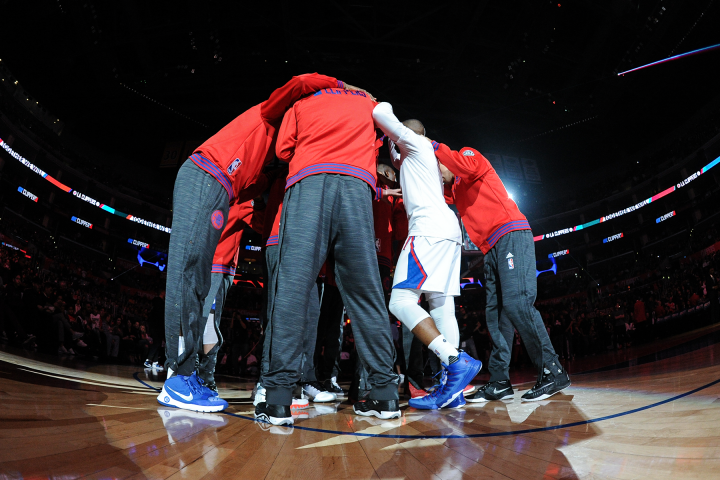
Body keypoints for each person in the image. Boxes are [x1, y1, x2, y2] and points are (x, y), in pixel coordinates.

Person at [159, 73, 371, 413]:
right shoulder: (269, 113)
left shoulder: (267, 160)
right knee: (187, 274)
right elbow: (301, 81)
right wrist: (345, 86)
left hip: (219, 185)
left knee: (196, 281)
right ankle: (177, 376)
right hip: (206, 173)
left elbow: (252, 191)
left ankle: (187, 373)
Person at [256, 83, 399, 426]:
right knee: (366, 295)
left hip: (309, 182)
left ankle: (277, 400)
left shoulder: (303, 102)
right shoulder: (369, 101)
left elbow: (284, 149)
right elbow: (383, 138)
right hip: (357, 188)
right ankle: (385, 395)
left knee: (292, 291)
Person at [434, 142, 570, 402]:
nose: (438, 172)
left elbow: (461, 165)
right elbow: (434, 194)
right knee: (495, 316)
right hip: (490, 248)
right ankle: (499, 381)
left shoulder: (467, 156)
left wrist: (429, 146)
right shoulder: (452, 190)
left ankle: (552, 371)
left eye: (439, 166)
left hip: (510, 233)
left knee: (518, 303)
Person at [372, 102, 481, 410]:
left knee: (400, 301)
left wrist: (366, 99)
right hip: (448, 231)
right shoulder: (422, 159)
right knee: (442, 308)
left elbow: (381, 112)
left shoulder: (414, 142)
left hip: (428, 232)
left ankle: (455, 362)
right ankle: (454, 391)